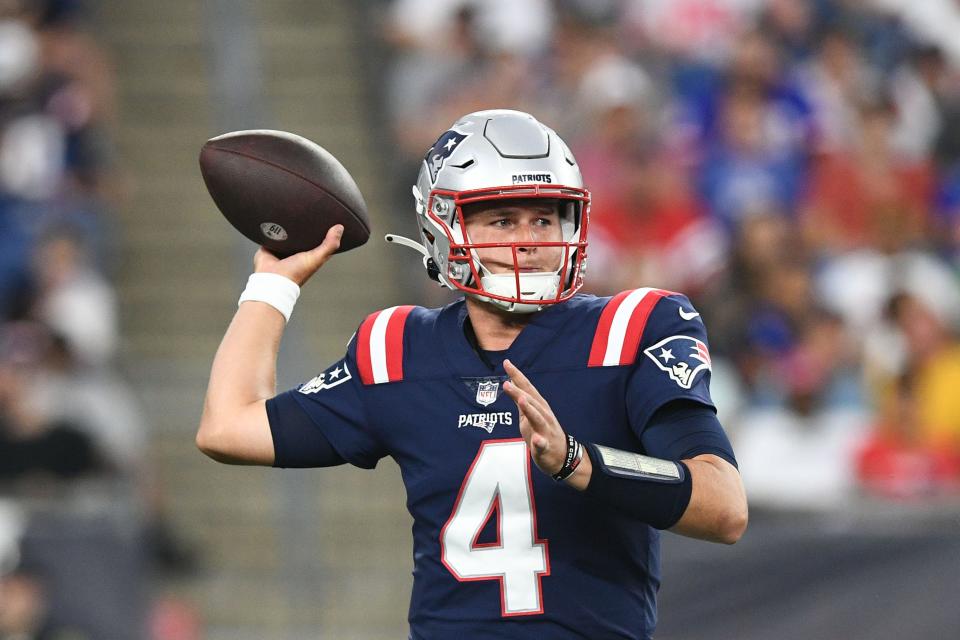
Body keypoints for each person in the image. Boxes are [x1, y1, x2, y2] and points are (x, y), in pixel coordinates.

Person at [196, 109, 747, 639]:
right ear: (444, 227)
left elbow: (724, 507)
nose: (530, 241)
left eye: (545, 217)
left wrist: (578, 461)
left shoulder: (634, 327)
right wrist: (273, 283)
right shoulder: (397, 348)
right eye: (503, 219)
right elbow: (227, 427)